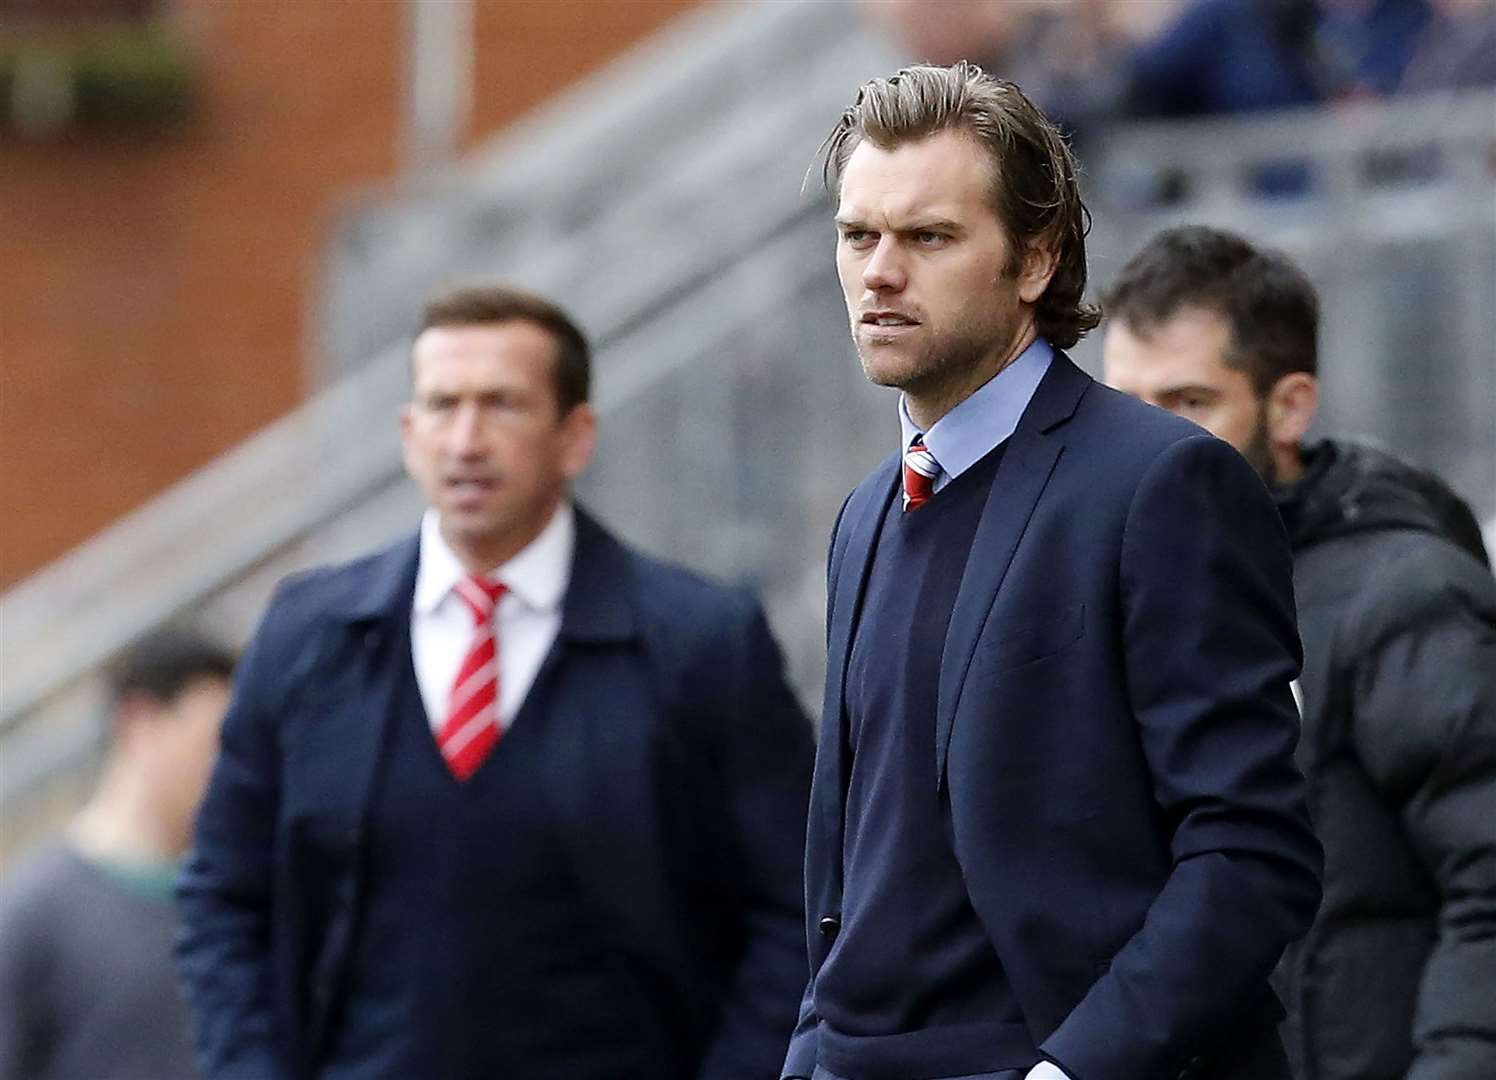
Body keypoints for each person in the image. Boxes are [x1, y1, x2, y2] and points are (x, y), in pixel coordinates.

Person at [784, 63, 1323, 1080]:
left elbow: (1248, 855)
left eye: (927, 237)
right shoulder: (864, 515)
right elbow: (855, 870)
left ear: (1034, 261)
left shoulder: (1163, 484)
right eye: (858, 236)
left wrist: (1069, 1072)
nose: (878, 272)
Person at [176, 285, 815, 1080]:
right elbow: (223, 896)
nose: (466, 440)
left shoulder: (701, 645)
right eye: (442, 406)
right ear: (409, 433)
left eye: (503, 405)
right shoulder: (311, 634)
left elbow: (801, 905)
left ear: (575, 436)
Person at [1103, 224, 1496, 1080]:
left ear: (1289, 407)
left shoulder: (1406, 599)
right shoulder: (1102, 597)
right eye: (1121, 407)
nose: (1141, 445)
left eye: (1187, 404)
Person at [0, 629, 235, 1080]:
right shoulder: (34, 911)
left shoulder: (231, 897)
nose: (226, 769)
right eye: (213, 742)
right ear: (140, 722)